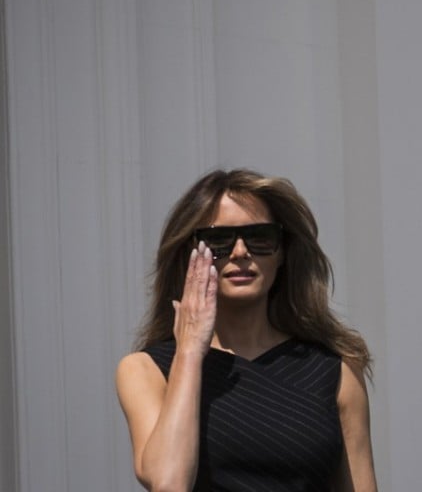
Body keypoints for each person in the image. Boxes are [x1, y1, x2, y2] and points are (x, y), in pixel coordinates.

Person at [116, 169, 377, 491]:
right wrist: (189, 352)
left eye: (260, 238)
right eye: (218, 240)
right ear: (189, 254)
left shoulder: (336, 370)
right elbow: (168, 483)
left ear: (282, 253)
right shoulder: (145, 370)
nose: (241, 252)